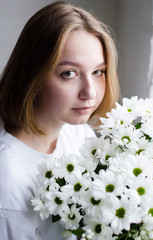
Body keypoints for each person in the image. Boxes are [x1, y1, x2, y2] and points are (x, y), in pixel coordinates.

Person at [0, 1, 119, 239]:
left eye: (98, 72)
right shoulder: (8, 178)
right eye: (69, 73)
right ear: (33, 74)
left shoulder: (78, 134)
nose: (90, 93)